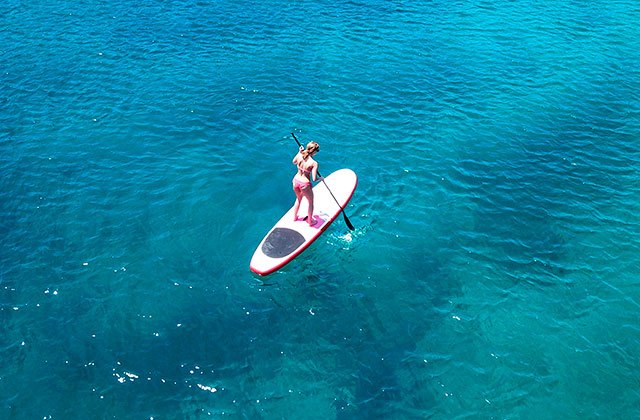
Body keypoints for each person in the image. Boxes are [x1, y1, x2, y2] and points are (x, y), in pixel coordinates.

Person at [292, 141, 323, 226]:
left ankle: (295, 217)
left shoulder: (300, 154)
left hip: (295, 181)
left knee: (298, 199)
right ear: (314, 151)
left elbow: (294, 162)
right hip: (304, 184)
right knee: (310, 202)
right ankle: (310, 221)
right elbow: (314, 178)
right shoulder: (314, 163)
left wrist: (299, 152)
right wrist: (321, 178)